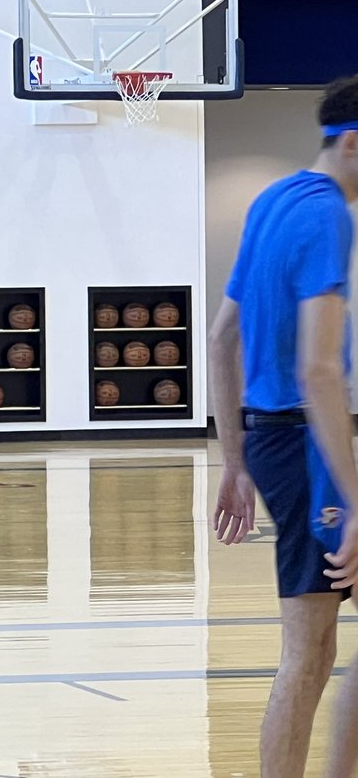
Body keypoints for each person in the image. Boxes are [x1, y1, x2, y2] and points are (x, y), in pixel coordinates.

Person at [210, 74, 358, 778]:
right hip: (303, 443)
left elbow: (220, 337)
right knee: (307, 651)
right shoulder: (328, 215)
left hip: (275, 440)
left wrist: (234, 462)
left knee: (323, 647)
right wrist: (356, 500)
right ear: (353, 143)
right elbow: (319, 371)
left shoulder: (272, 199)